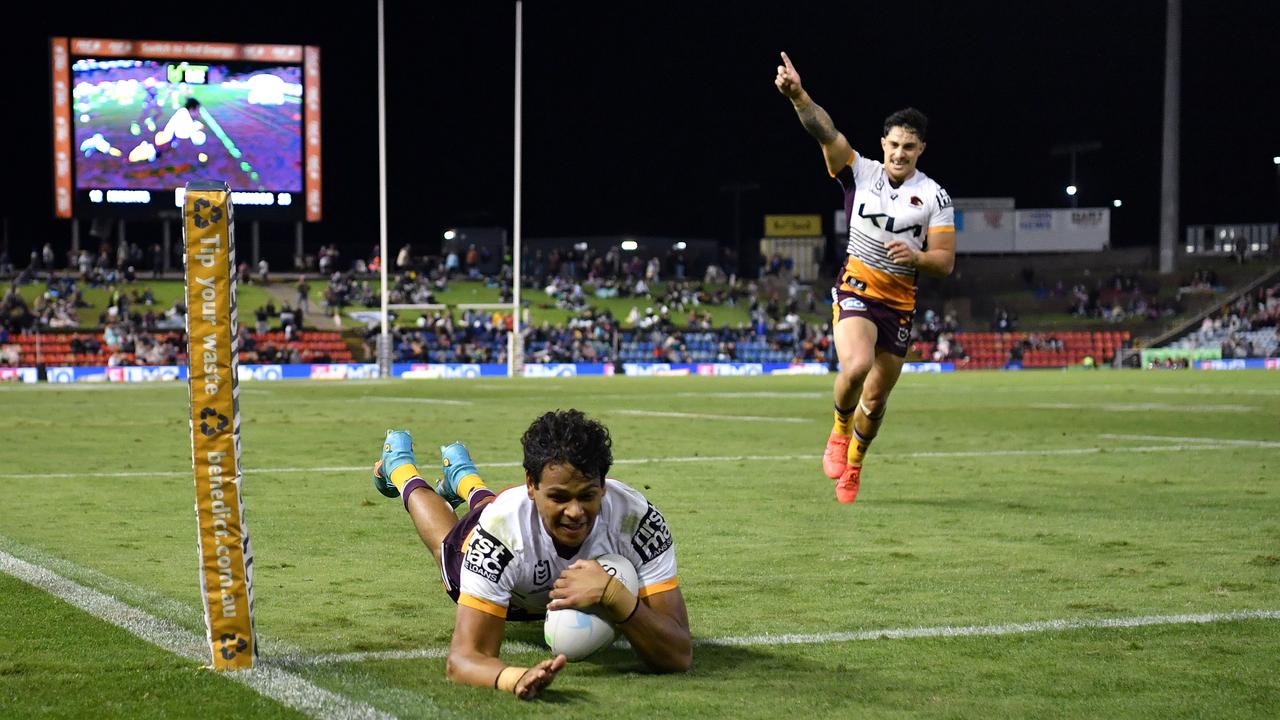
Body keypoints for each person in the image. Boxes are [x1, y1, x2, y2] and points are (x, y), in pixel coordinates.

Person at [369, 409, 691, 699]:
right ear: (531, 486)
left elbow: (678, 654)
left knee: (504, 520)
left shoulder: (636, 520)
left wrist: (613, 594)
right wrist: (511, 676)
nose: (575, 512)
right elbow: (463, 660)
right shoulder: (498, 535)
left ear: (604, 485)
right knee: (447, 544)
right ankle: (401, 470)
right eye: (559, 497)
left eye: (588, 496)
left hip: (519, 539)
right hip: (502, 568)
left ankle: (462, 476)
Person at [775, 51, 956, 504]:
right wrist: (799, 96)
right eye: (894, 144)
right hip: (857, 287)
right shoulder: (860, 172)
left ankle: (854, 463)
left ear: (921, 150)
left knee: (875, 401)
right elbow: (825, 130)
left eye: (909, 147)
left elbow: (945, 261)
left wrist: (917, 256)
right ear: (883, 143)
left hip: (899, 304)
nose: (899, 153)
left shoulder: (935, 196)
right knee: (855, 367)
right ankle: (838, 432)